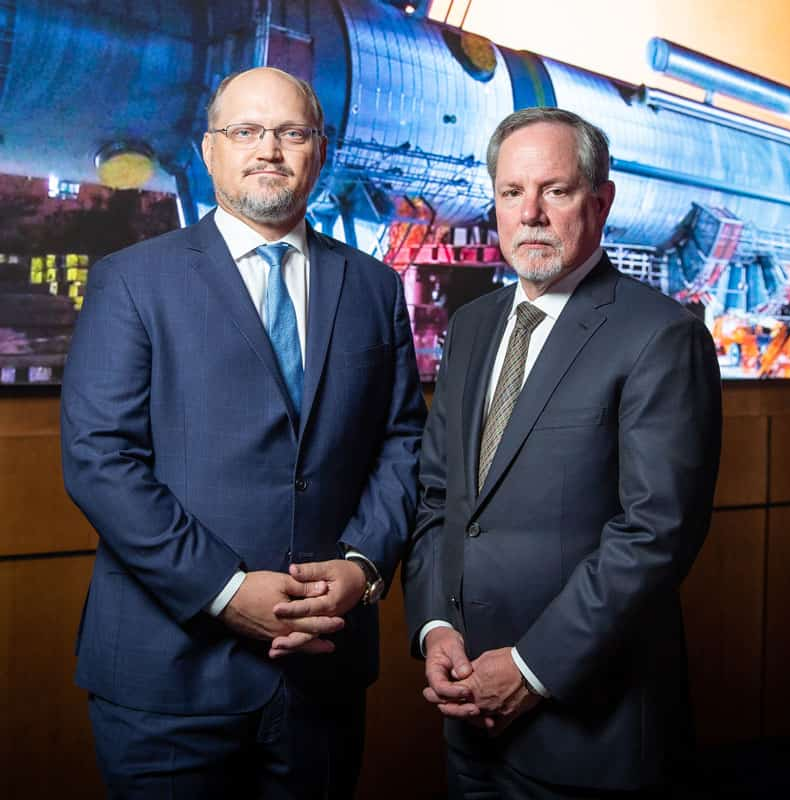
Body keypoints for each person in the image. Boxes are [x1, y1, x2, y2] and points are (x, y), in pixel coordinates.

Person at [61, 67, 426, 799]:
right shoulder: (132, 281)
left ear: (318, 151)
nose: (270, 150)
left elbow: (403, 441)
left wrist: (361, 566)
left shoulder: (374, 287)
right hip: (168, 677)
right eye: (246, 132)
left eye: (292, 133)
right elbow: (101, 459)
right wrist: (225, 591)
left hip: (323, 669)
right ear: (209, 151)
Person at [403, 107, 722, 798]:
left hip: (588, 731)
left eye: (557, 190)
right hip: (465, 714)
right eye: (512, 193)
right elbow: (439, 496)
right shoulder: (473, 326)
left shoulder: (659, 336)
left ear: (601, 201)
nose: (531, 214)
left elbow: (655, 533)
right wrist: (434, 627)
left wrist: (530, 667)